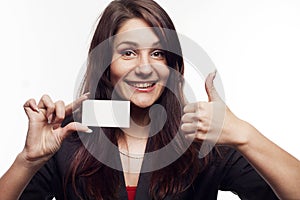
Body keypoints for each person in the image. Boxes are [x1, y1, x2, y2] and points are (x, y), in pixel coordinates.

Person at [0, 0, 299, 199]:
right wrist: (27, 162)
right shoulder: (67, 135)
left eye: (157, 53)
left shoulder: (202, 135)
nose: (145, 67)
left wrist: (246, 137)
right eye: (128, 52)